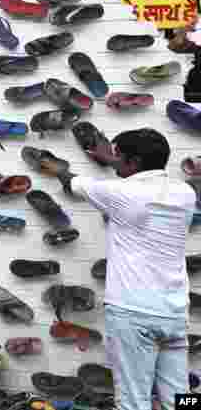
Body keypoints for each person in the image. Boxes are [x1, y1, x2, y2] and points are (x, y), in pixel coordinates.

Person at [59, 128, 194, 410]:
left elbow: (73, 182)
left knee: (133, 400)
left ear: (132, 162)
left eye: (117, 155)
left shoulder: (120, 192)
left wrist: (57, 169)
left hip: (133, 314)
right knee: (181, 398)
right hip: (174, 312)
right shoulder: (185, 193)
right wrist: (115, 160)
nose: (113, 159)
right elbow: (138, 177)